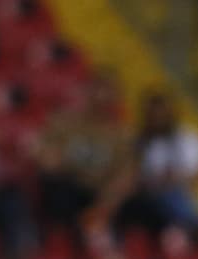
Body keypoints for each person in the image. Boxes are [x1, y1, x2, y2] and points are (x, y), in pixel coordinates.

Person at [34, 67, 134, 233]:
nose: (102, 95)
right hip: (66, 190)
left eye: (109, 90)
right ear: (88, 90)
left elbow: (124, 179)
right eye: (99, 88)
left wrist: (102, 207)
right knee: (59, 190)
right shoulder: (65, 122)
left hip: (96, 197)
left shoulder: (121, 136)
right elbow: (47, 161)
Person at [115, 90, 198, 233]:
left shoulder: (186, 137)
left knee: (177, 198)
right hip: (146, 193)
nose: (156, 119)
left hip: (176, 195)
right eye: (152, 115)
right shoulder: (139, 140)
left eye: (160, 114)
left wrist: (177, 179)